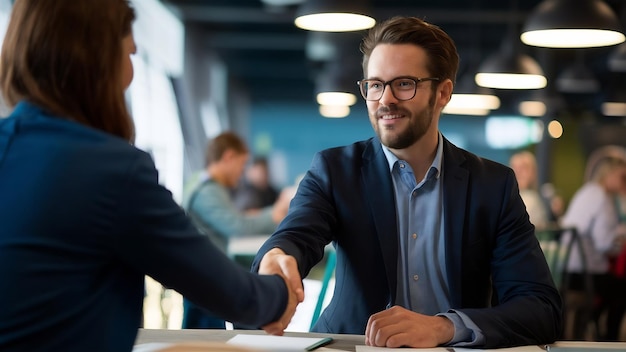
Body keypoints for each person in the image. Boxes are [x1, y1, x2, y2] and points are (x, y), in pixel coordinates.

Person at [0, 1, 301, 350]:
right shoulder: (112, 170)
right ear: (98, 60)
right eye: (129, 54)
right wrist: (283, 287)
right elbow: (240, 299)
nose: (129, 75)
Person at [252, 16, 562, 349]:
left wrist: (445, 328)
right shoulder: (335, 170)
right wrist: (278, 255)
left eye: (403, 84)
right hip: (356, 346)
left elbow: (541, 307)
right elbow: (297, 234)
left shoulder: (493, 185)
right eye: (374, 84)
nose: (385, 99)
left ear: (442, 93)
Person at [181, 132, 293, 329]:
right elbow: (237, 226)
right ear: (228, 157)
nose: (242, 173)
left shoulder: (204, 184)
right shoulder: (207, 191)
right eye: (242, 164)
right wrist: (274, 215)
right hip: (204, 277)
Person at [560, 156, 626, 341]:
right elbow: (604, 244)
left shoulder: (587, 191)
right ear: (610, 174)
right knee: (621, 290)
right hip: (584, 274)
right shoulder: (601, 197)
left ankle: (592, 325)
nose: (624, 180)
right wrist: (619, 239)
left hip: (566, 271)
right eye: (622, 176)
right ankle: (610, 339)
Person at [509, 151, 550, 229]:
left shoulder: (531, 199)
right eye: (514, 167)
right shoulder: (508, 197)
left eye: (524, 167)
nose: (518, 172)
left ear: (533, 172)